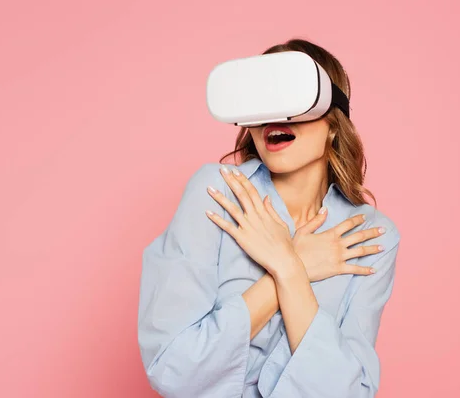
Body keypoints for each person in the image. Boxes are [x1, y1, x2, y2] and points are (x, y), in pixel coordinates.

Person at [137, 38, 401, 398]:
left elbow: (349, 392)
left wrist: (289, 269)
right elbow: (173, 370)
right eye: (261, 100)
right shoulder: (217, 192)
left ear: (334, 121)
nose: (275, 116)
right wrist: (296, 265)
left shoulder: (371, 236)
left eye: (292, 96)